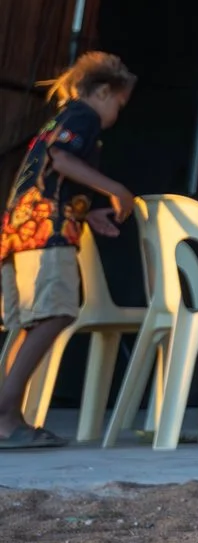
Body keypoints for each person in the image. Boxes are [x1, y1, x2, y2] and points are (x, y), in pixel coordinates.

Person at [0, 51, 136, 451]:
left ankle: (10, 418)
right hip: (45, 230)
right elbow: (61, 160)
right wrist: (116, 190)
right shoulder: (83, 116)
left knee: (33, 323)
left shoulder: (56, 120)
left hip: (18, 231)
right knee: (56, 313)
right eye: (118, 105)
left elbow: (51, 171)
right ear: (103, 91)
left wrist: (89, 211)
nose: (115, 115)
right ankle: (5, 414)